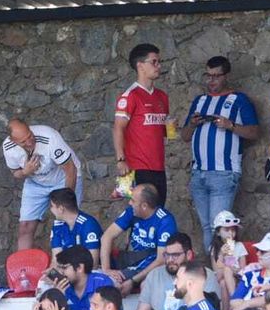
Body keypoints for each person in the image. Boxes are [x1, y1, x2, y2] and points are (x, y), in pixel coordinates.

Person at [183, 55, 259, 252]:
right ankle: (213, 270)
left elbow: (254, 132)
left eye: (216, 76)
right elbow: (184, 136)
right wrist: (192, 123)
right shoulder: (200, 101)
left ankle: (224, 271)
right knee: (208, 227)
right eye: (208, 76)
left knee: (221, 227)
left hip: (224, 173)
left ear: (226, 76)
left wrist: (230, 125)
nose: (212, 81)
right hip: (198, 173)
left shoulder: (238, 100)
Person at [3, 118, 81, 253]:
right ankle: (24, 269)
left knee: (69, 221)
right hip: (35, 182)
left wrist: (66, 200)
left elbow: (70, 169)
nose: (29, 142)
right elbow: (15, 173)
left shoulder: (49, 137)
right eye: (23, 141)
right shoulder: (8, 148)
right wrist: (25, 172)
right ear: (13, 141)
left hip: (63, 177)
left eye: (30, 136)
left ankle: (72, 263)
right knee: (25, 227)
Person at [114, 42, 171, 201]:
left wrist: (171, 128)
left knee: (158, 214)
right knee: (141, 216)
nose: (158, 66)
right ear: (140, 66)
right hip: (137, 167)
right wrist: (120, 160)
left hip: (159, 166)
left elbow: (164, 131)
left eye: (159, 62)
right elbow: (118, 128)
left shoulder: (162, 96)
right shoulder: (130, 95)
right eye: (154, 62)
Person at [100, 182, 177, 295]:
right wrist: (106, 269)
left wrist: (133, 281)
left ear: (144, 206)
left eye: (133, 200)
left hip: (148, 265)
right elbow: (107, 236)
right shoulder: (131, 211)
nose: (129, 203)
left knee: (110, 284)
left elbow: (161, 260)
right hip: (130, 259)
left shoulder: (165, 221)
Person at [136, 233, 193, 310]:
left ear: (189, 254)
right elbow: (143, 309)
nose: (170, 259)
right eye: (167, 255)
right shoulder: (154, 275)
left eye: (175, 255)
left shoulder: (203, 276)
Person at [53, 244, 116, 310]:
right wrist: (58, 298)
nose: (61, 272)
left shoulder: (102, 283)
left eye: (64, 268)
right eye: (59, 268)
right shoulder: (63, 288)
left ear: (79, 268)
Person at [48, 188, 103, 266]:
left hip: (93, 272)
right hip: (69, 271)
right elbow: (56, 260)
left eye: (52, 206)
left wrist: (67, 273)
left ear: (61, 209)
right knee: (45, 278)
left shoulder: (88, 224)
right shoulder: (57, 225)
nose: (50, 209)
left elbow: (93, 263)